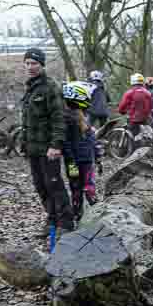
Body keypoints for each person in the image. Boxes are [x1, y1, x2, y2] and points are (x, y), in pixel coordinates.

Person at [21, 48, 75, 238]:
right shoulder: (31, 88)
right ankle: (52, 219)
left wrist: (56, 145)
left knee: (54, 184)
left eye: (34, 63)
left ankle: (66, 222)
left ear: (42, 65)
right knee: (40, 185)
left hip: (48, 148)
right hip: (33, 148)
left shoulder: (50, 87)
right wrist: (24, 144)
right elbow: (28, 121)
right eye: (27, 63)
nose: (30, 67)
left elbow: (58, 119)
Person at [61, 81, 98, 222]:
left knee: (89, 187)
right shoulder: (67, 119)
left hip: (87, 161)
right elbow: (66, 143)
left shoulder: (85, 117)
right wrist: (71, 161)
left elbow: (92, 140)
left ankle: (96, 212)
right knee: (76, 189)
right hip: (74, 162)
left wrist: (98, 156)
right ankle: (78, 214)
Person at [118, 73, 153, 138]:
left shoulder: (130, 92)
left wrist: (122, 111)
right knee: (146, 135)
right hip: (145, 119)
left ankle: (133, 146)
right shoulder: (148, 93)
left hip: (133, 119)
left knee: (132, 136)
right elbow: (151, 106)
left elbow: (122, 106)